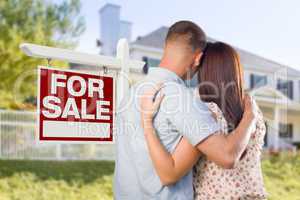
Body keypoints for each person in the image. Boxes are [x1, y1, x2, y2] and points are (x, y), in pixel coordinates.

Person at [114, 21, 256, 200]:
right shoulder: (182, 99)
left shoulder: (130, 95)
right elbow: (227, 156)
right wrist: (250, 117)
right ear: (197, 58)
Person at [140, 42, 267, 199]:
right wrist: (250, 117)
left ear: (205, 72)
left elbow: (169, 174)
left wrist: (146, 121)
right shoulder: (252, 110)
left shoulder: (206, 112)